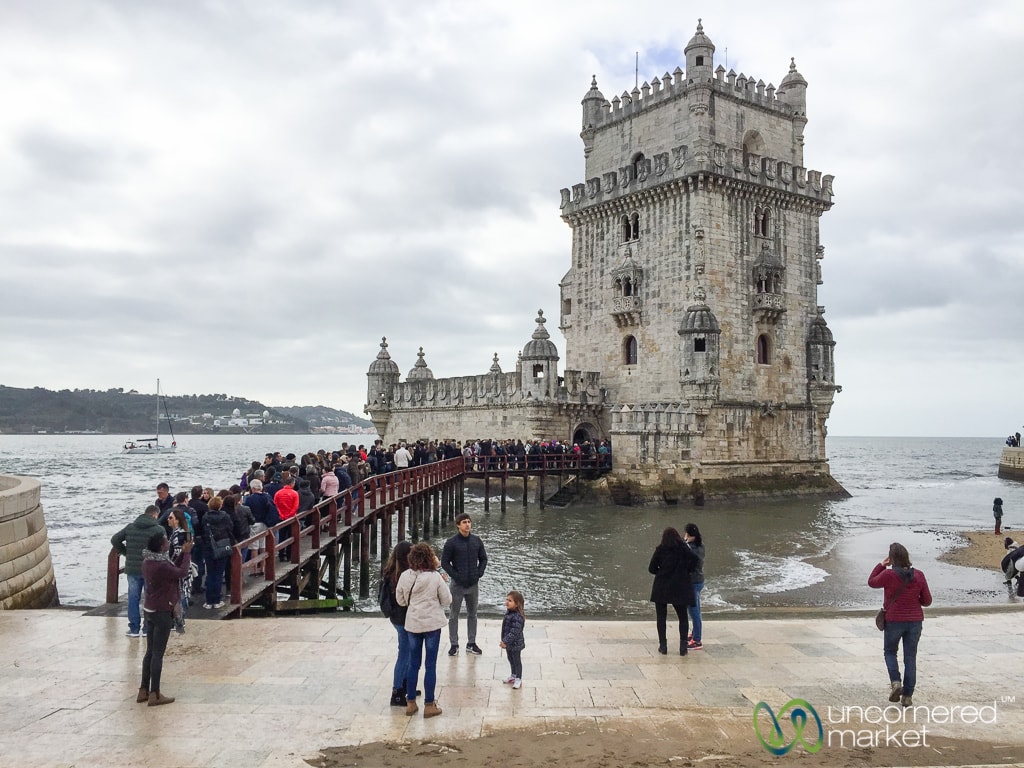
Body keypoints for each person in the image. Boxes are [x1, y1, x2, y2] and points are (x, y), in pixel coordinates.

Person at [868, 542, 933, 707]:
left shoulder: (888, 575)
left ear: (891, 559)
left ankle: (896, 683)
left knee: (890, 652)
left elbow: (871, 582)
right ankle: (907, 696)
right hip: (915, 622)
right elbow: (927, 601)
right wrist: (913, 599)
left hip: (894, 621)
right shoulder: (919, 575)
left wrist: (880, 566)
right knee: (910, 657)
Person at [396, 542, 451, 719]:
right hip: (432, 625)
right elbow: (447, 600)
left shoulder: (405, 576)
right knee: (430, 665)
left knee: (413, 664)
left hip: (413, 624)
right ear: (430, 557)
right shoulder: (434, 577)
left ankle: (410, 703)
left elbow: (401, 601)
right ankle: (429, 704)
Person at [138, 530, 193, 706]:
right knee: (158, 654)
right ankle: (155, 693)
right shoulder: (161, 564)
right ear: (161, 546)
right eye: (165, 541)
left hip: (149, 608)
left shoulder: (148, 561)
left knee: (149, 651)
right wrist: (187, 553)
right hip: (162, 610)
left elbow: (172, 570)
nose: (168, 542)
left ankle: (143, 690)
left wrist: (182, 553)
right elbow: (182, 572)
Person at [110, 504, 164, 638]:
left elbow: (115, 539)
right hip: (150, 570)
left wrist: (126, 553)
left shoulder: (130, 527)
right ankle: (147, 628)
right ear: (155, 515)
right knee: (149, 598)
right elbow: (164, 548)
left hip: (133, 569)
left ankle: (134, 628)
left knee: (133, 598)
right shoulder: (158, 529)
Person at [440, 512, 488, 656]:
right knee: (454, 615)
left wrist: (479, 573)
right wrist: (455, 575)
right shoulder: (451, 542)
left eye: (469, 522)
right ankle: (454, 644)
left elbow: (484, 559)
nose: (467, 524)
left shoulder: (476, 541)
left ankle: (471, 643)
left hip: (473, 584)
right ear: (458, 525)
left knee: (472, 614)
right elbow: (444, 562)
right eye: (464, 522)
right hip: (457, 584)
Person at [648, 526, 698, 656]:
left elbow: (651, 568)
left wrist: (662, 572)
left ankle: (663, 646)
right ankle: (683, 647)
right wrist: (685, 570)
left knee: (661, 617)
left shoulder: (660, 549)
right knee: (682, 617)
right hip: (680, 586)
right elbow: (694, 560)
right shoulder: (683, 549)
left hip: (662, 586)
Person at [382, 540, 414, 706]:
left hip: (396, 618)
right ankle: (397, 692)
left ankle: (407, 684)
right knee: (405, 654)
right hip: (403, 618)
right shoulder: (404, 575)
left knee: (407, 652)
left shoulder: (390, 572)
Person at [201, 495, 234, 609]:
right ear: (220, 506)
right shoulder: (225, 516)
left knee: (210, 574)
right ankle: (217, 599)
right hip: (222, 546)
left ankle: (209, 601)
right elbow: (230, 529)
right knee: (219, 574)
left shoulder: (205, 517)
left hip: (209, 547)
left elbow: (204, 532)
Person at [165, 508, 194, 633]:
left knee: (179, 594)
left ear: (177, 520)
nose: (168, 520)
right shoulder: (182, 532)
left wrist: (169, 564)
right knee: (181, 593)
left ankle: (179, 620)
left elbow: (177, 552)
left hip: (178, 568)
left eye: (171, 518)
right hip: (183, 567)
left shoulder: (178, 534)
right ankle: (179, 620)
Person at [683, 523, 705, 651]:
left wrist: (685, 544)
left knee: (694, 611)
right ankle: (695, 632)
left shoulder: (692, 549)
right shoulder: (701, 545)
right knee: (695, 609)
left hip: (693, 582)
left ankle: (697, 640)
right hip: (699, 581)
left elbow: (690, 558)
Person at [499, 590, 526, 689]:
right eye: (506, 599)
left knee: (516, 660)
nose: (507, 602)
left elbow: (514, 632)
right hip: (509, 644)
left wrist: (505, 641)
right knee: (510, 659)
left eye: (510, 600)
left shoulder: (517, 617)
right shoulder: (509, 613)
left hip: (515, 644)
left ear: (517, 604)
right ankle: (513, 675)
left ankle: (518, 678)